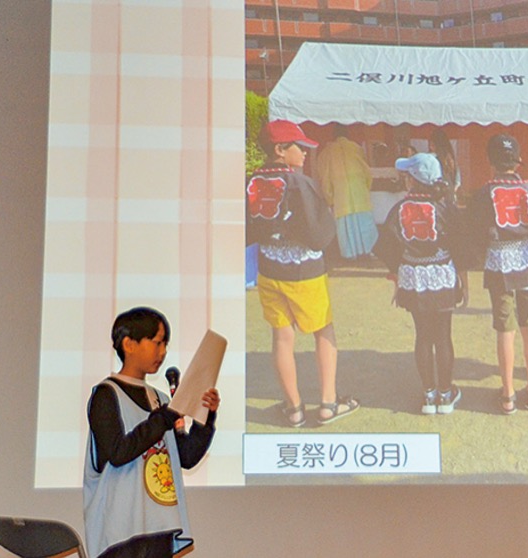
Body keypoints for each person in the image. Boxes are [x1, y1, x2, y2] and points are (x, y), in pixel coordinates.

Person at [246, 120, 360, 427]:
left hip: (269, 267)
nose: (306, 152)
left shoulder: (251, 181)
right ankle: (328, 404)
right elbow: (320, 233)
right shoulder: (300, 183)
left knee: (282, 337)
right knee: (323, 330)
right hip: (304, 270)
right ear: (280, 150)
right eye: (300, 147)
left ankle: (294, 408)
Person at [83, 307, 220, 558]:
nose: (163, 351)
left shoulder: (161, 399)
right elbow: (118, 452)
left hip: (160, 527)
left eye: (165, 344)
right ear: (129, 344)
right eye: (157, 343)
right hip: (120, 533)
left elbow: (186, 456)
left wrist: (206, 418)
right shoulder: (107, 394)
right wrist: (166, 417)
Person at [374, 153, 468, 414]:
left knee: (423, 335)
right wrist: (464, 282)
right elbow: (460, 246)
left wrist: (397, 277)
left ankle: (428, 395)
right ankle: (446, 395)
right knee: (443, 335)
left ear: (412, 180)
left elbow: (388, 247)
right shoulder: (446, 206)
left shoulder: (399, 209)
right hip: (442, 274)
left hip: (413, 276)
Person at [466, 134, 528, 414]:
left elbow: (474, 230)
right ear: (518, 161)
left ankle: (508, 394)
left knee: (505, 329)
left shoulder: (482, 194)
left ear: (491, 161)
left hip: (499, 262)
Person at [313, 125, 377, 260]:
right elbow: (367, 172)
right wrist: (366, 188)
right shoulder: (356, 148)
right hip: (360, 194)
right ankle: (369, 251)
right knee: (365, 223)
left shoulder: (326, 152)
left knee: (346, 227)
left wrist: (329, 198)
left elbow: (325, 178)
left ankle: (350, 255)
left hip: (340, 198)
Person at [430, 129, 461, 204]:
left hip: (438, 198)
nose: (430, 147)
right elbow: (458, 181)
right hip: (450, 196)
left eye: (432, 145)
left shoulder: (432, 159)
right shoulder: (451, 158)